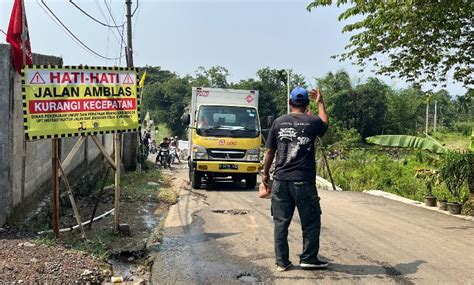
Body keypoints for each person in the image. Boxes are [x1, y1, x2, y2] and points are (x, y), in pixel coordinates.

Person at [261, 87, 329, 272]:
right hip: (303, 181)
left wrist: (265, 175)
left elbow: (269, 152)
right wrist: (321, 102)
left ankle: (282, 262)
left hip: (281, 180)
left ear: (290, 103)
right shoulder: (312, 121)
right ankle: (308, 258)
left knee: (281, 222)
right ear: (307, 104)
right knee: (311, 221)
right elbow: (324, 123)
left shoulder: (278, 122)